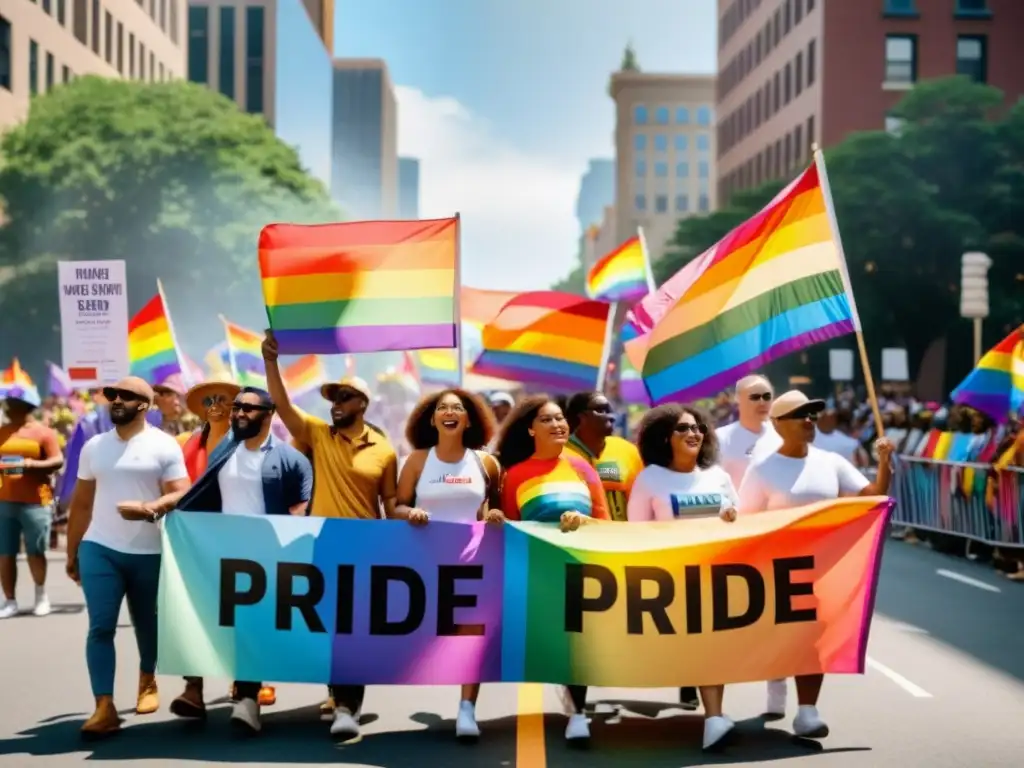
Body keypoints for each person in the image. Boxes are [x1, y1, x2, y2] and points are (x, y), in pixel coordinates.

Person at [262, 330, 398, 740]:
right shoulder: (319, 435)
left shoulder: (385, 450)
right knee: (330, 628)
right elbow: (282, 404)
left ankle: (346, 707)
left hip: (366, 548)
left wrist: (408, 528)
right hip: (324, 544)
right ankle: (339, 697)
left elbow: (390, 503)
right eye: (333, 398)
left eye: (344, 397)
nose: (335, 404)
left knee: (353, 632)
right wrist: (271, 361)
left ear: (362, 404)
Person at [737, 390, 894, 740]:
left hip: (821, 568)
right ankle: (776, 680)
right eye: (800, 415)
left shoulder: (830, 462)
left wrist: (884, 462)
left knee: (813, 636)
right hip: (775, 571)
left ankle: (807, 711)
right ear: (778, 424)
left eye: (812, 414)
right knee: (782, 638)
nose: (809, 420)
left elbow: (874, 497)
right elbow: (744, 522)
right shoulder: (762, 470)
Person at [169, 386, 313, 733]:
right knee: (203, 617)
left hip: (263, 558)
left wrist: (283, 537)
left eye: (248, 408)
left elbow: (303, 506)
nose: (239, 413)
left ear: (269, 414)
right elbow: (200, 492)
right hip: (218, 551)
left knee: (251, 626)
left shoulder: (289, 458)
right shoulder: (224, 450)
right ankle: (194, 689)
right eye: (237, 407)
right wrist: (171, 516)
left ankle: (248, 701)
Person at [64, 377, 191, 739]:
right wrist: (73, 551)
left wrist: (151, 507)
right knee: (101, 626)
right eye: (112, 395)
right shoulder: (94, 447)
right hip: (100, 547)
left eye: (127, 396)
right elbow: (82, 504)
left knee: (147, 625)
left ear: (145, 405)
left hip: (149, 551)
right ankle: (103, 706)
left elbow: (182, 492)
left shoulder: (164, 445)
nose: (116, 399)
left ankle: (147, 678)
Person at [495, 395, 608, 744]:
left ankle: (578, 712)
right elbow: (511, 530)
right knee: (555, 645)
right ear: (530, 429)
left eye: (560, 418)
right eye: (546, 419)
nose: (557, 424)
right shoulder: (515, 475)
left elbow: (607, 522)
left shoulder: (583, 469)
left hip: (582, 570)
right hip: (539, 575)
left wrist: (584, 521)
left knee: (579, 643)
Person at [627, 403, 738, 750]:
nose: (693, 433)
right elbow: (635, 532)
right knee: (695, 650)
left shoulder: (718, 477)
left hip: (715, 578)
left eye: (698, 428)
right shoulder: (650, 479)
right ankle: (712, 714)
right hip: (670, 583)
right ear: (665, 438)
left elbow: (741, 522)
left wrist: (731, 517)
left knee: (712, 647)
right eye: (683, 428)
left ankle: (714, 718)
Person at [394, 388, 503, 740]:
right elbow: (395, 506)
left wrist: (495, 516)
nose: (450, 412)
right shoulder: (417, 461)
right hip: (423, 568)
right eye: (443, 408)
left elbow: (493, 507)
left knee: (471, 639)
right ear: (432, 419)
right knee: (425, 640)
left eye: (458, 408)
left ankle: (467, 708)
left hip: (472, 564)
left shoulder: (486, 463)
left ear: (469, 421)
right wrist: (409, 513)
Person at [0, 389, 64, 619]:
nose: (7, 407)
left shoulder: (44, 433)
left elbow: (57, 460)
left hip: (36, 500)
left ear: (25, 406)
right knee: (5, 553)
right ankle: (9, 600)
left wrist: (30, 465)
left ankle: (41, 596)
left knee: (36, 551)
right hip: (5, 500)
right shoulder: (2, 432)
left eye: (11, 403)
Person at [562, 391, 643, 523]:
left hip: (623, 534)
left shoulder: (626, 450)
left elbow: (640, 503)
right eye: (601, 410)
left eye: (610, 411)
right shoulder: (561, 455)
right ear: (581, 417)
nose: (611, 417)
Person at [716, 375, 782, 488]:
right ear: (738, 401)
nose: (762, 402)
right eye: (755, 397)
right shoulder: (720, 438)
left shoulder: (782, 435)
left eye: (767, 396)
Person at [180, 379, 241, 481]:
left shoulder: (245, 440)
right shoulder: (193, 443)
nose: (214, 406)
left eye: (222, 400)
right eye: (208, 401)